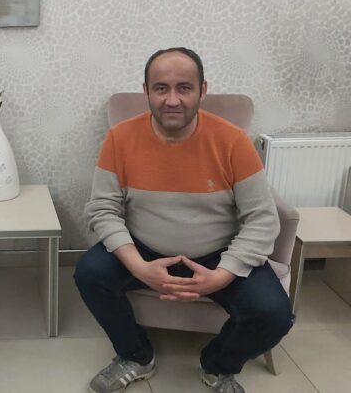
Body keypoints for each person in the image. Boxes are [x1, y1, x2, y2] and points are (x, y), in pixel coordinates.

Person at [74, 48, 293, 393]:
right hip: (144, 247)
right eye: (161, 88)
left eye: (184, 88)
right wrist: (139, 267)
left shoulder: (234, 142)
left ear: (202, 90)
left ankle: (217, 366)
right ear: (146, 92)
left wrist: (222, 275)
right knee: (89, 274)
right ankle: (135, 355)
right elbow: (102, 209)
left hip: (218, 254)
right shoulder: (121, 138)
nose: (172, 100)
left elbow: (262, 220)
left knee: (274, 314)